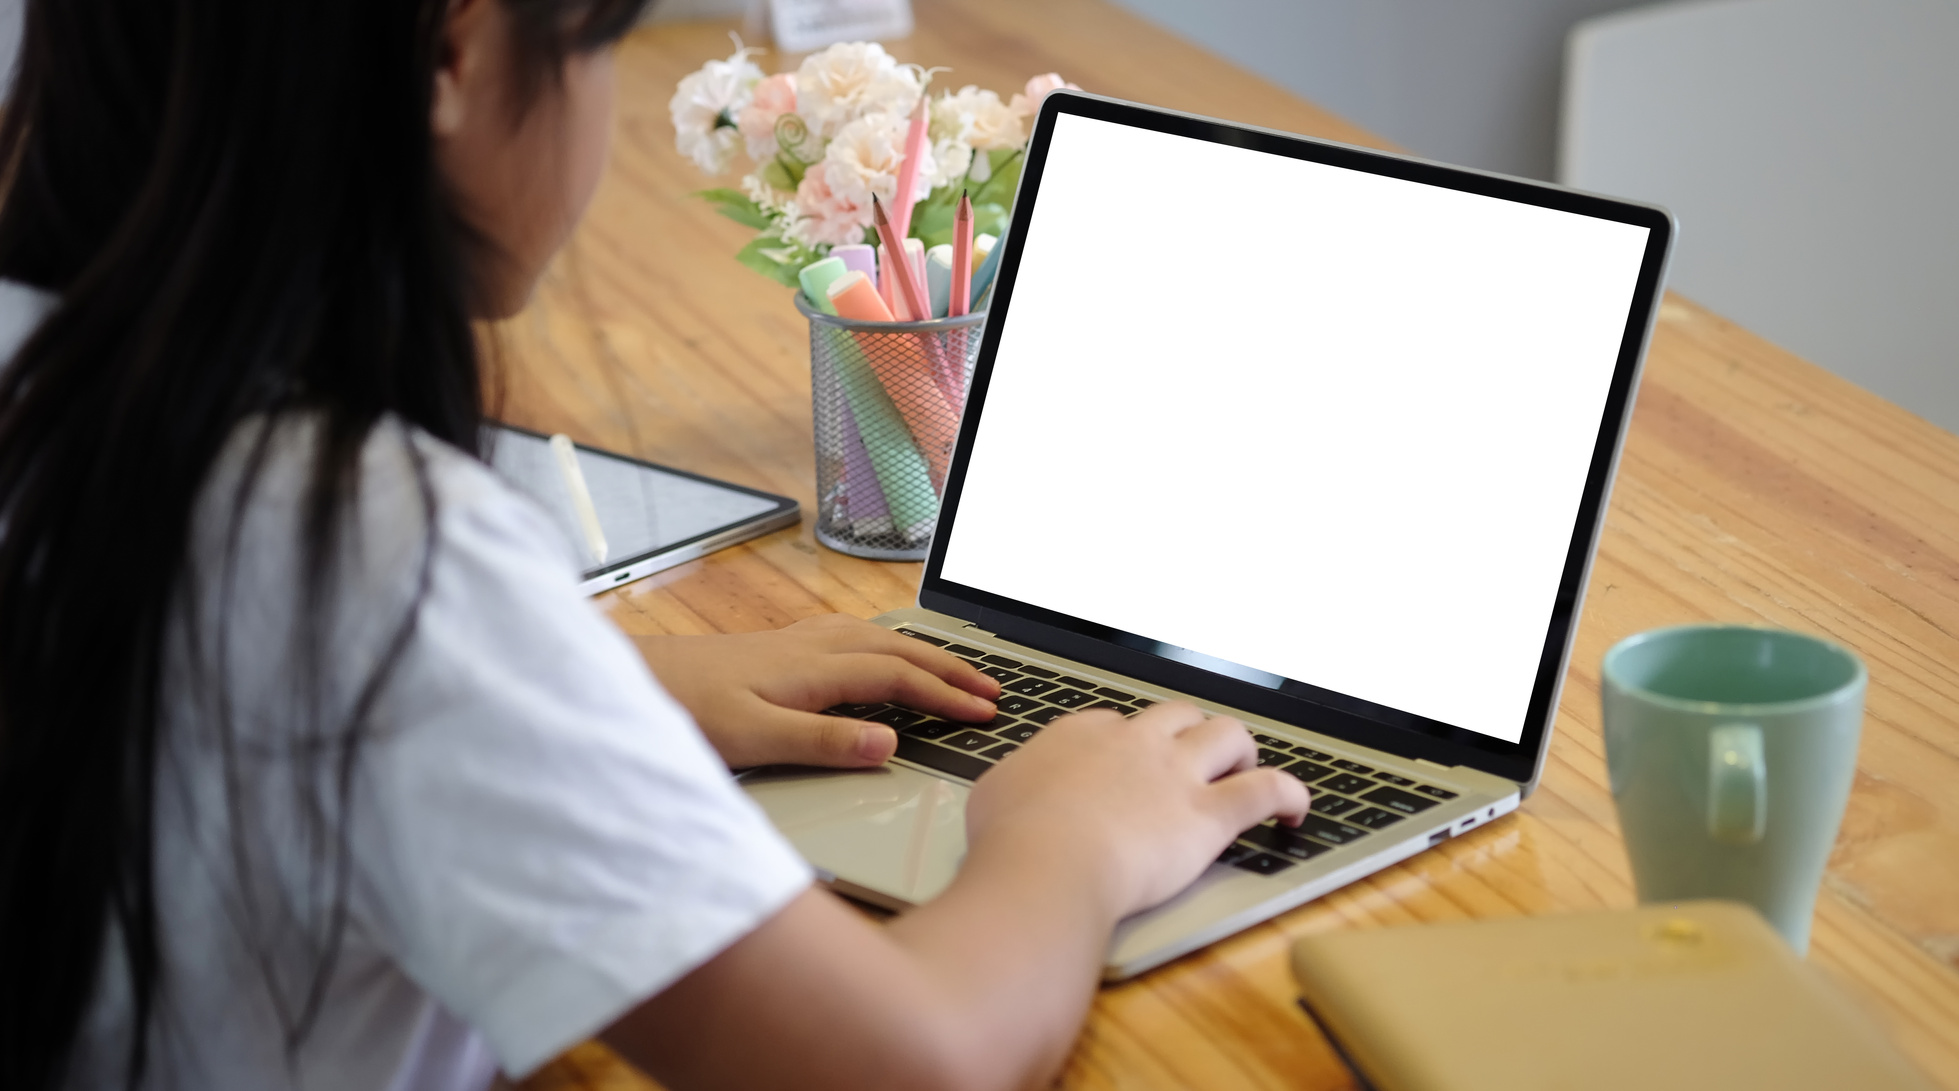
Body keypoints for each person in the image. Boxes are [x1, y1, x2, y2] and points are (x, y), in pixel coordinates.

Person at [0, 1, 1311, 1088]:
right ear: (453, 49)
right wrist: (1070, 840)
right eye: (596, 41)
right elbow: (917, 1063)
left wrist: (584, 691)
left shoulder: (56, 376)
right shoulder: (375, 560)